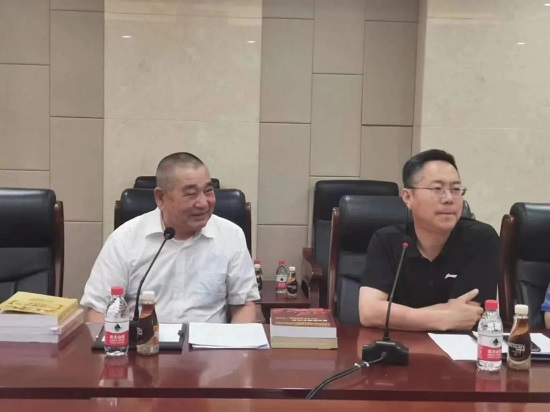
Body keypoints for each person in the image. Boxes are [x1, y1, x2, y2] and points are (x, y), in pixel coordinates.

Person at [81, 152, 259, 324]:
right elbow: (98, 310)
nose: (203, 203)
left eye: (208, 191)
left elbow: (244, 305)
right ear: (161, 198)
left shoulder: (230, 235)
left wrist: (235, 342)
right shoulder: (125, 239)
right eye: (191, 194)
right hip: (144, 342)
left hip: (210, 343)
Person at [358, 149, 499, 331]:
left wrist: (394, 315)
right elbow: (369, 312)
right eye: (437, 189)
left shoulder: (481, 239)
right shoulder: (387, 240)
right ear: (408, 197)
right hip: (397, 344)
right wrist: (442, 319)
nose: (449, 199)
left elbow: (466, 315)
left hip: (457, 346)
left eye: (456, 189)